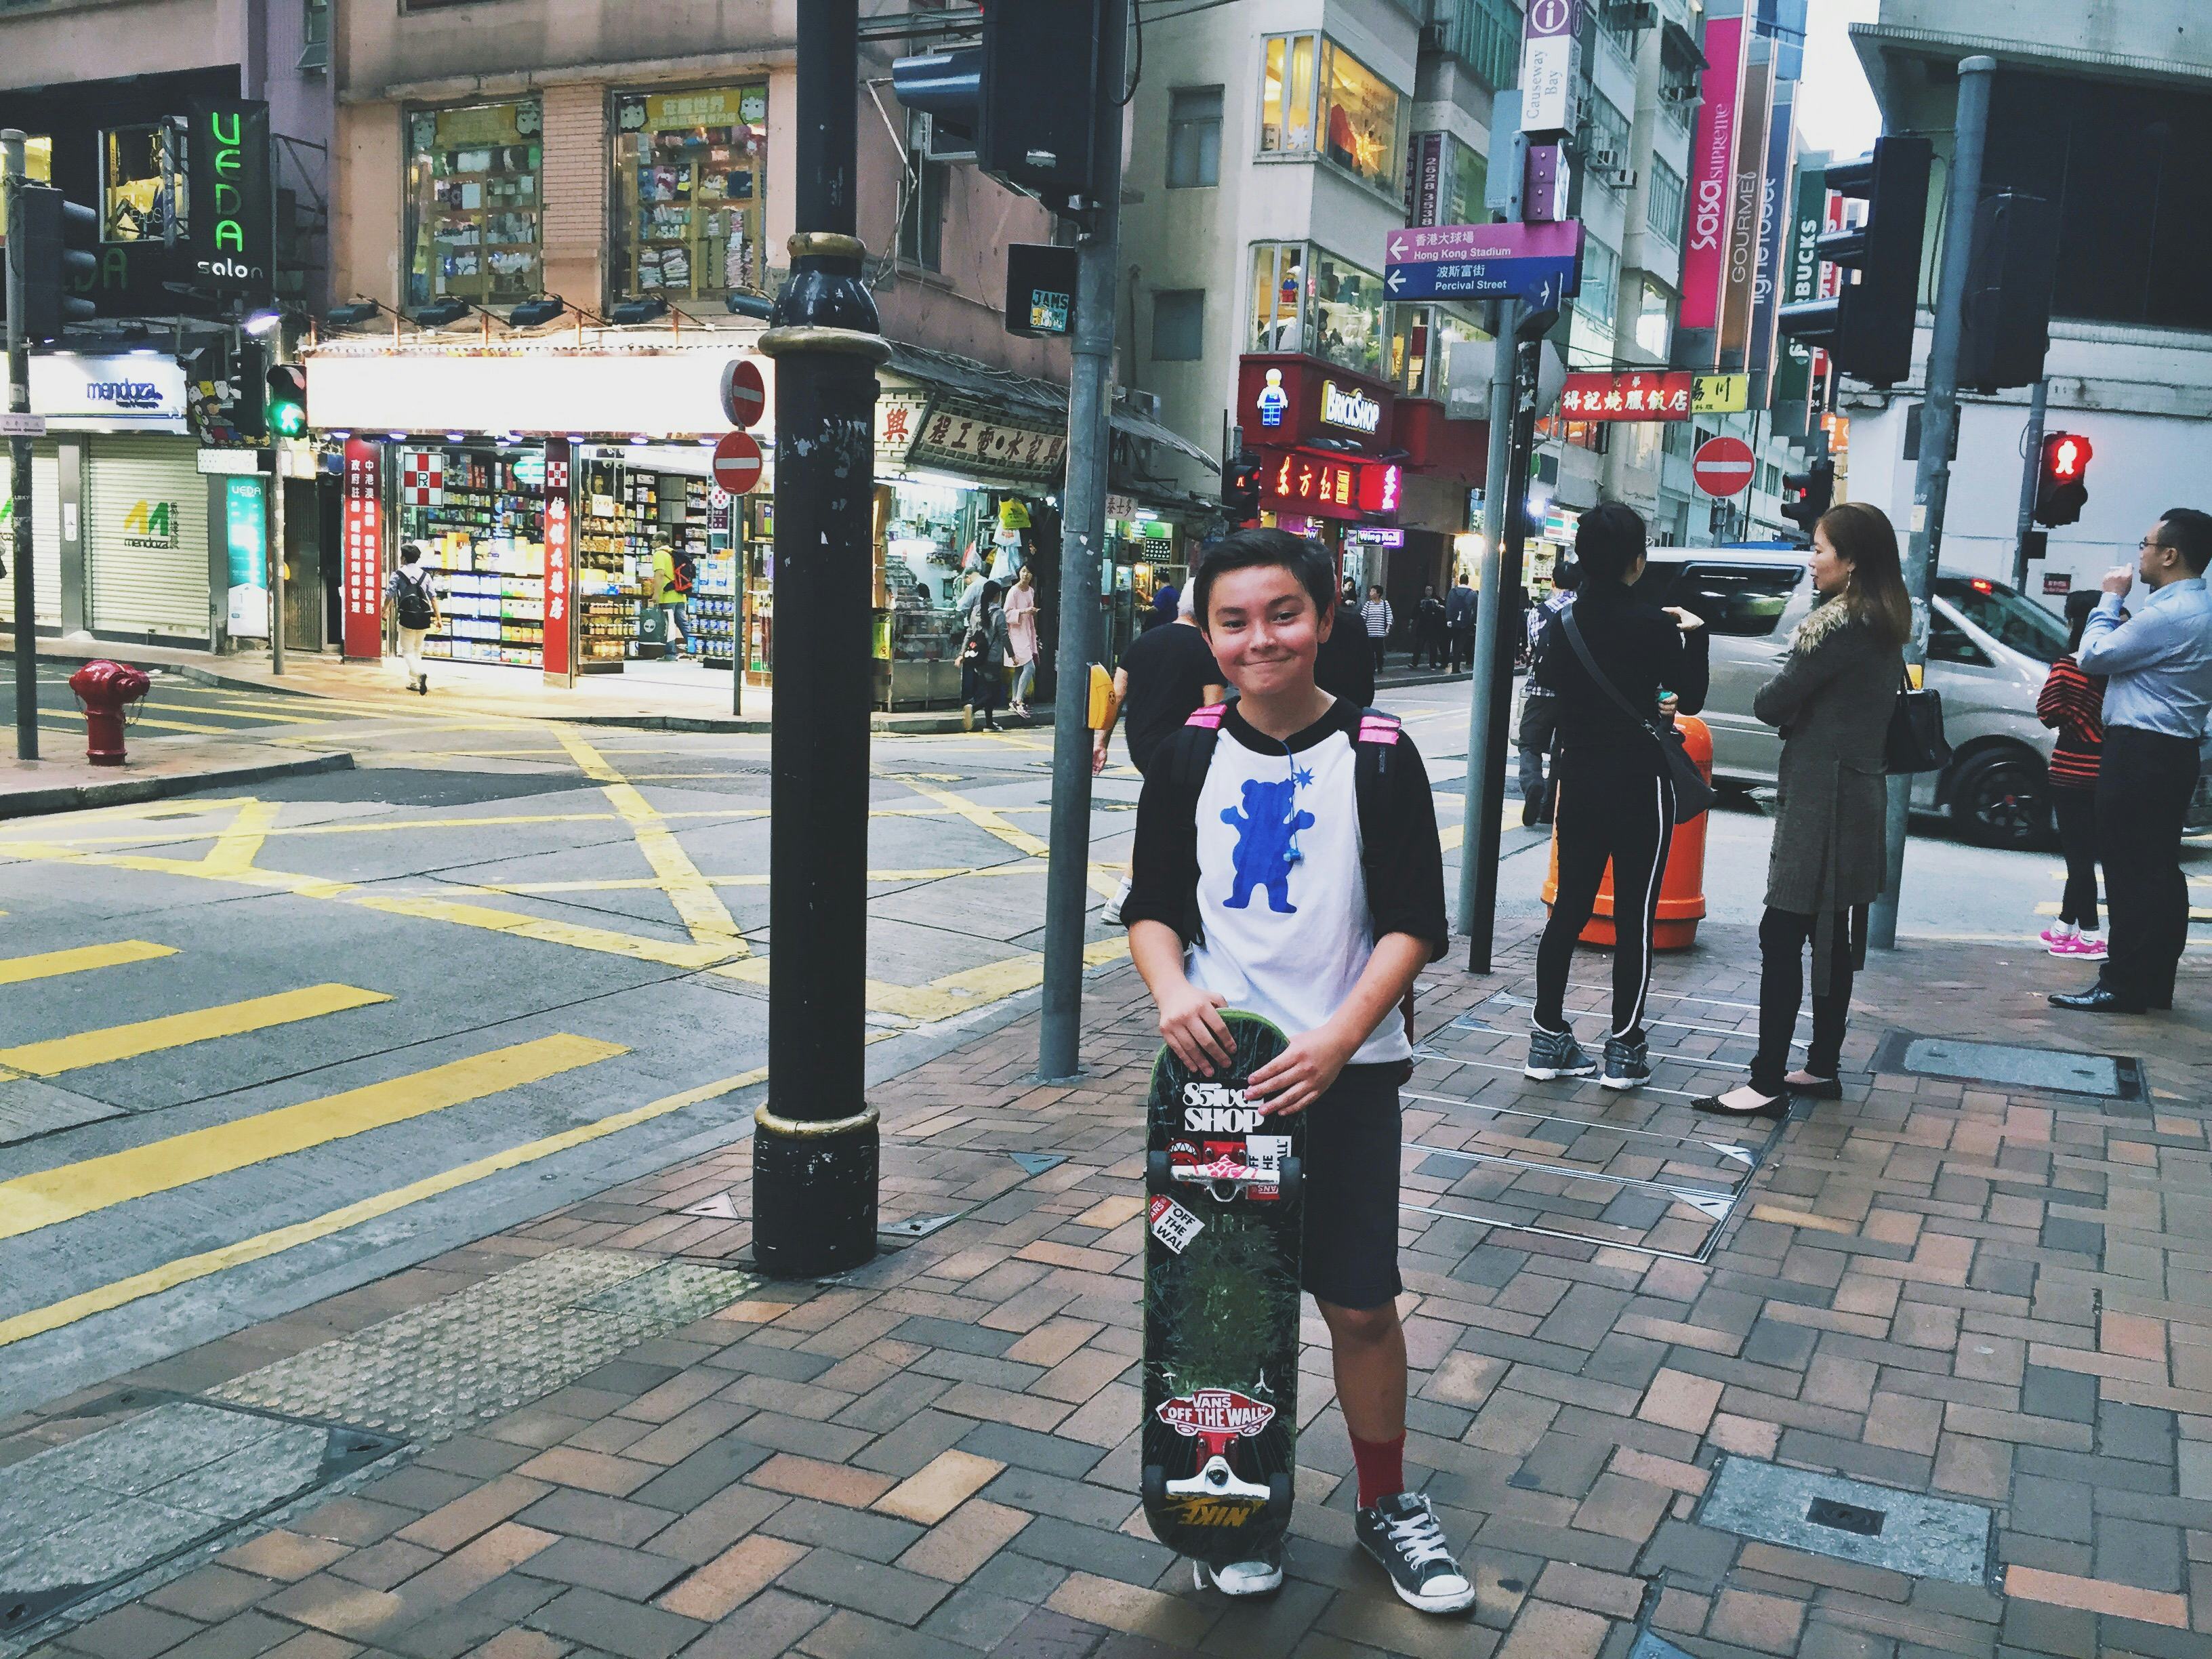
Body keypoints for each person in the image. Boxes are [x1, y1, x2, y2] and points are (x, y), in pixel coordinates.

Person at [1122, 528, 1472, 1614]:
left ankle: (1385, 1506)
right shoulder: (1185, 752)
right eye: (1232, 621)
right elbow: (1153, 909)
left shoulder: (1376, 751)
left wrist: (1336, 1040)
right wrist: (1174, 993)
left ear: (1323, 618)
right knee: (1227, 1303)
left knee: (1360, 1302)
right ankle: (1236, 1506)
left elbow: (1417, 922)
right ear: (1206, 629)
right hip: (1224, 1080)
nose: (1258, 640)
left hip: (1349, 1073)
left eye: (1282, 615)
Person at [1692, 503, 1910, 1118]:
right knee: (1831, 936)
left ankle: (1765, 1083)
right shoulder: (1885, 619)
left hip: (1823, 800)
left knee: (1782, 931)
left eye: (1819, 550)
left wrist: (1788, 686)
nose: (1810, 561)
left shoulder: (1836, 627)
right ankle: (1820, 1065)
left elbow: (1771, 703)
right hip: (1858, 791)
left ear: (1852, 559)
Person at [1526, 504, 1708, 1089]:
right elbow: (1692, 696)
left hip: (1577, 779)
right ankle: (1624, 1048)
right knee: (1635, 917)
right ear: (1637, 558)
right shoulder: (1655, 624)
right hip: (1639, 784)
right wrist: (1696, 637)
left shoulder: (1562, 623)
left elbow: (1549, 700)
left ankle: (1546, 1036)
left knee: (1569, 913)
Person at [2052, 508, 2212, 1014]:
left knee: (2129, 870)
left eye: (2144, 544)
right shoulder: (2199, 609)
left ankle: (2122, 984)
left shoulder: (2169, 614)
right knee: (2159, 868)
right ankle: (2152, 982)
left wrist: (2110, 599)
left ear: (2170, 554)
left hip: (2140, 751)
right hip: (2173, 750)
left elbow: (2093, 656)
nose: (2138, 554)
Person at [1093, 586, 1227, 923]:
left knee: (1170, 815)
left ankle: (1149, 893)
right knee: (1167, 818)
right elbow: (1213, 708)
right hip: (1184, 748)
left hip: (1141, 745)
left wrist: (1101, 741)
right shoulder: (1205, 649)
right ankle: (1125, 894)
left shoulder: (1143, 642)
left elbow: (1115, 695)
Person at [2037, 590, 2109, 960]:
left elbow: (2047, 710)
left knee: (2077, 856)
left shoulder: (2068, 665)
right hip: (2106, 769)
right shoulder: (2115, 668)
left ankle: (2092, 934)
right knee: (2084, 852)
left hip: (2070, 768)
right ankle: (2064, 927)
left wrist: (2076, 721)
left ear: (2073, 622)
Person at [1517, 557, 1579, 827]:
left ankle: (1533, 783)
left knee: (1530, 744)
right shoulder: (1584, 610)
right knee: (1561, 750)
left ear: (1552, 582)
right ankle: (1549, 808)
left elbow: (1533, 647)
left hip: (1540, 690)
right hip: (1573, 694)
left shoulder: (1537, 613)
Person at [383, 541, 442, 696]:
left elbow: (390, 593)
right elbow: (433, 598)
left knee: (407, 651)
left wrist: (385, 610)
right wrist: (439, 618)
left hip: (407, 617)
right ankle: (414, 682)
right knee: (417, 650)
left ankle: (419, 673)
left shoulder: (398, 574)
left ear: (403, 558)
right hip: (424, 618)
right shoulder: (426, 576)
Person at [962, 578, 1010, 733]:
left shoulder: (976, 610)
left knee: (987, 690)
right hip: (993, 657)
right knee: (994, 693)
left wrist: (962, 653)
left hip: (977, 657)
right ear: (997, 595)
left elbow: (969, 633)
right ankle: (974, 708)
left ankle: (989, 724)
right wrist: (1012, 655)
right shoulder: (999, 613)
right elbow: (1004, 636)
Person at [1004, 565, 1040, 720]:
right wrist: (1025, 611)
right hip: (1016, 634)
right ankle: (1019, 700)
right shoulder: (1013, 591)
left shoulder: (1031, 591)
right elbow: (1006, 613)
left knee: (1020, 668)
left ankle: (1014, 700)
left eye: (1029, 571)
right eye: (1024, 571)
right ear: (1019, 572)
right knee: (1029, 667)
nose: (1026, 574)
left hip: (1027, 631)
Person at [650, 542, 689, 651]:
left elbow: (660, 574)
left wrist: (656, 594)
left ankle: (670, 653)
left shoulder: (659, 554)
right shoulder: (674, 553)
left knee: (668, 625)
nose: (651, 542)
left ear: (659, 542)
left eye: (653, 540)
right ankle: (695, 648)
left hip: (667, 596)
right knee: (683, 624)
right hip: (680, 594)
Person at [1446, 571, 1477, 673]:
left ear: (1460, 581)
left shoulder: (1453, 592)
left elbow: (1449, 606)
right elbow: (1476, 610)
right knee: (1461, 644)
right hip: (1466, 622)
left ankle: (1451, 664)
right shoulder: (1472, 594)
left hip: (1454, 622)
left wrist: (1449, 619)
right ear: (1468, 581)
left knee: (1454, 644)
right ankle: (1457, 667)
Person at [1359, 584, 1393, 676]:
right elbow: (1362, 617)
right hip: (1369, 633)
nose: (1371, 593)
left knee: (1379, 652)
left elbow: (1389, 616)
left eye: (1373, 591)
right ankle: (1372, 668)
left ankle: (1380, 667)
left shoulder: (1385, 604)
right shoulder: (1368, 604)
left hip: (1380, 633)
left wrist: (1388, 627)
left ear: (1378, 593)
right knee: (1370, 652)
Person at [1414, 585, 1448, 670]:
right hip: (1423, 625)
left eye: (1430, 590)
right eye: (1427, 590)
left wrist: (1438, 606)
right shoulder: (1421, 600)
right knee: (1419, 645)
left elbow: (1444, 608)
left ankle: (1432, 664)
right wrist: (1411, 623)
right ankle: (1414, 662)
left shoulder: (1437, 600)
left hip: (1434, 626)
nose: (1428, 592)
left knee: (1433, 646)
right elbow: (1415, 612)